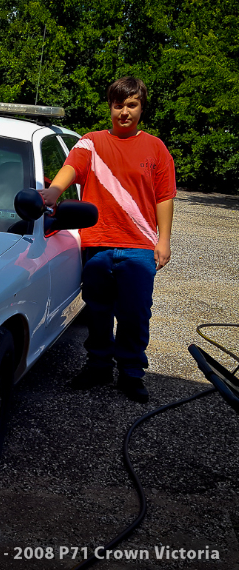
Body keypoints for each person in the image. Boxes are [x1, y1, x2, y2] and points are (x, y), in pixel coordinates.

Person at [39, 77, 176, 403]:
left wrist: (164, 241)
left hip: (139, 248)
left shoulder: (156, 148)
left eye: (131, 105)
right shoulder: (91, 142)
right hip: (97, 244)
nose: (124, 112)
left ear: (141, 107)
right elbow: (70, 169)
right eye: (118, 105)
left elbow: (165, 197)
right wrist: (52, 193)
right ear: (110, 107)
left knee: (135, 314)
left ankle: (131, 373)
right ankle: (98, 366)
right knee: (98, 312)